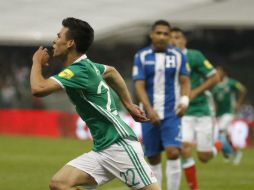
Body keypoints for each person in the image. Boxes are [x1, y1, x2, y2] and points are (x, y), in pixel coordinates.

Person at [30, 17, 160, 190]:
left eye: (59, 36)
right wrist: (128, 104)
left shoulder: (79, 70)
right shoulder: (87, 66)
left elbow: (38, 88)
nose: (54, 40)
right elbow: (112, 72)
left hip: (120, 146)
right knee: (59, 183)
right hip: (103, 150)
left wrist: (36, 63)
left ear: (70, 43)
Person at [132, 20, 190, 190]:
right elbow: (139, 85)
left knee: (173, 152)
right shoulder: (141, 56)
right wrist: (149, 110)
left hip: (172, 113)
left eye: (166, 34)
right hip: (148, 113)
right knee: (153, 157)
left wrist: (185, 101)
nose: (162, 37)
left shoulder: (178, 55)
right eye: (159, 33)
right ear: (152, 35)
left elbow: (185, 81)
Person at [171, 27, 219, 190]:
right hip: (182, 111)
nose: (174, 40)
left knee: (204, 157)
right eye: (172, 37)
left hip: (202, 110)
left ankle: (218, 146)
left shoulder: (194, 56)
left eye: (177, 37)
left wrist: (195, 92)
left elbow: (215, 77)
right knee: (183, 147)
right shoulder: (167, 59)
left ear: (184, 40)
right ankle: (194, 188)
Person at [212, 65, 247, 164]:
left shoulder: (231, 83)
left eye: (219, 71)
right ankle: (231, 153)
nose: (217, 73)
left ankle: (232, 153)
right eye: (216, 71)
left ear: (224, 72)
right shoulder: (215, 85)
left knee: (221, 131)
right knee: (225, 135)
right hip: (219, 114)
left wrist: (238, 103)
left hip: (229, 112)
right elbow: (214, 99)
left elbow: (243, 90)